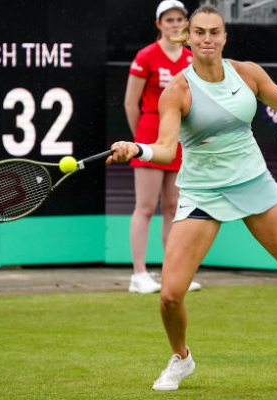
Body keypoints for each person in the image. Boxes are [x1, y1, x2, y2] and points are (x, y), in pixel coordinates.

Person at [107, 5, 277, 391]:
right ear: (188, 38)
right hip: (203, 191)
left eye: (214, 32)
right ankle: (181, 358)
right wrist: (137, 149)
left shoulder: (248, 73)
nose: (207, 39)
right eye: (199, 32)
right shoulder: (179, 90)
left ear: (224, 36)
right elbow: (167, 149)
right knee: (170, 295)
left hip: (254, 182)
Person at [123, 0, 201, 294]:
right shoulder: (145, 56)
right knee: (145, 207)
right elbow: (131, 103)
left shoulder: (191, 59)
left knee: (173, 207)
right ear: (158, 24)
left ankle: (173, 274)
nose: (175, 24)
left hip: (180, 137)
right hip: (149, 135)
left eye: (180, 19)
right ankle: (139, 274)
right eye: (169, 20)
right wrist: (141, 142)